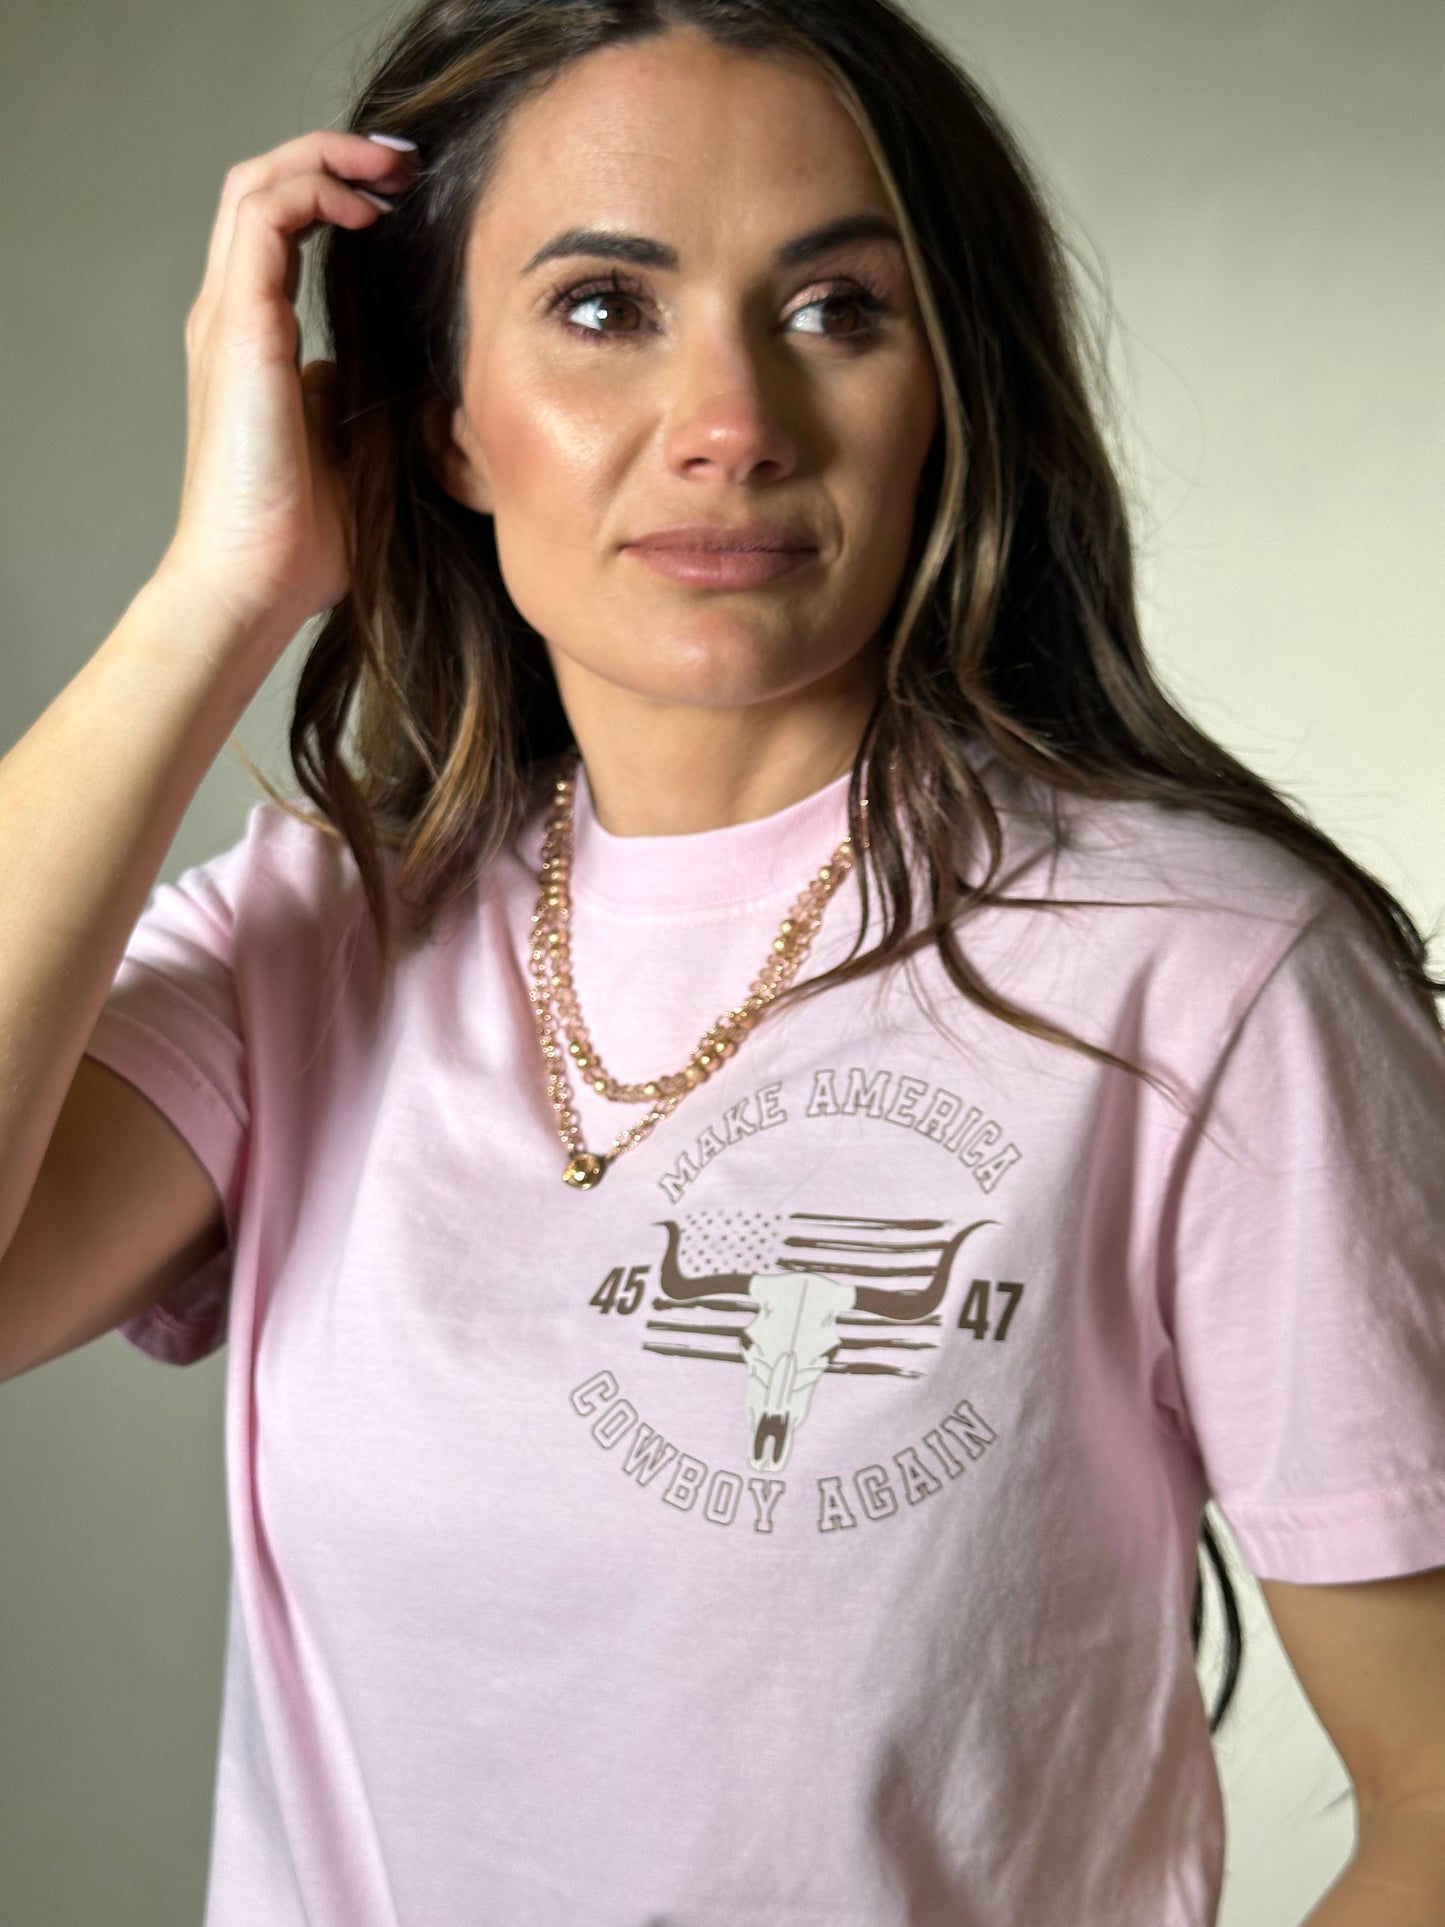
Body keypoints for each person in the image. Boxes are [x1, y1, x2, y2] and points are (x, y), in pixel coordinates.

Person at [2, 1, 1443, 1922]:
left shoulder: (1205, 979)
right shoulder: (311, 944)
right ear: (440, 418)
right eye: (604, 308)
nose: (732, 425)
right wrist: (216, 589)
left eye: (837, 310)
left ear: (947, 394)